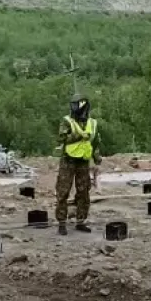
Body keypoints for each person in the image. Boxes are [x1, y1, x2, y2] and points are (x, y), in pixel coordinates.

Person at [55, 93, 101, 235]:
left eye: (76, 104)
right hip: (68, 160)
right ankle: (61, 223)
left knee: (83, 192)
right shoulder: (67, 121)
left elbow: (95, 142)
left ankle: (80, 221)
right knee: (63, 191)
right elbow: (61, 139)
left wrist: (97, 158)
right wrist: (78, 135)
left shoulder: (92, 123)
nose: (74, 107)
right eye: (73, 104)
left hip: (83, 161)